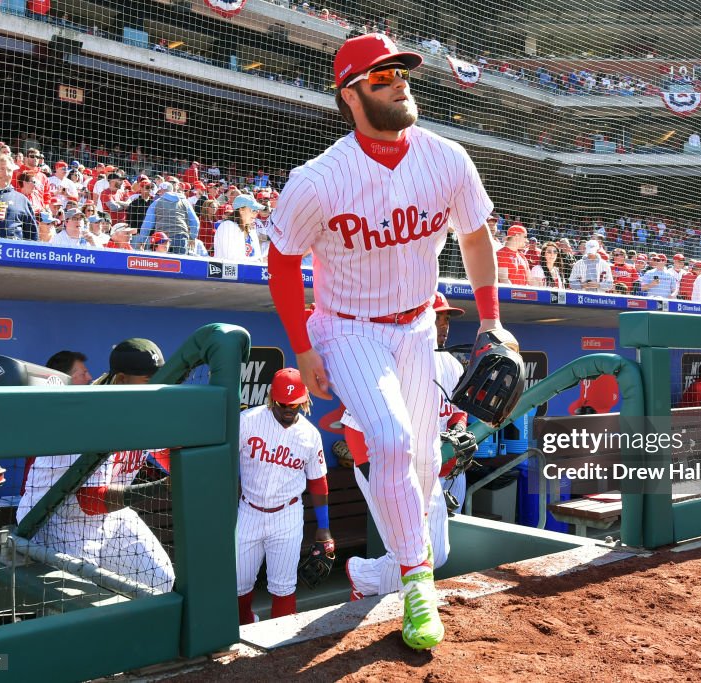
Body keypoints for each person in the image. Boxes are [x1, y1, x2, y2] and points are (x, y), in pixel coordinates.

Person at [266, 33, 510, 651]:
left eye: (402, 72)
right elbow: (281, 261)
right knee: (393, 439)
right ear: (350, 94)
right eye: (382, 77)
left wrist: (490, 319)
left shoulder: (447, 157)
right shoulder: (318, 179)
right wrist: (302, 347)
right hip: (346, 328)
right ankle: (417, 584)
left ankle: (374, 572)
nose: (400, 82)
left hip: (418, 328)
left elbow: (476, 238)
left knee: (425, 468)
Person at [16, 339, 175, 592]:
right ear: (122, 379)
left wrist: (183, 466)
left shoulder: (145, 407)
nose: (157, 387)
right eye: (148, 380)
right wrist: (162, 487)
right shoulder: (90, 415)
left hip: (111, 515)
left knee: (162, 582)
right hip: (56, 520)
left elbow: (166, 450)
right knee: (83, 602)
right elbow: (89, 500)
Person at [343, 293, 468, 600]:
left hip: (427, 466)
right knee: (404, 553)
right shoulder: (390, 363)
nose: (444, 325)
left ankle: (363, 578)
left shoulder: (450, 364)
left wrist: (459, 428)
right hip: (384, 465)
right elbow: (353, 426)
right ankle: (391, 613)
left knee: (436, 553)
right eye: (438, 317)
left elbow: (457, 411)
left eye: (447, 319)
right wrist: (375, 474)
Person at [236, 368, 331, 624]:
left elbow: (318, 482)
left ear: (306, 400)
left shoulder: (310, 435)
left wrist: (324, 528)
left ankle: (282, 645)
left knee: (283, 585)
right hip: (249, 511)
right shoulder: (247, 421)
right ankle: (245, 625)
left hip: (287, 514)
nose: (289, 409)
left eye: (296, 404)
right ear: (271, 398)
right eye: (283, 404)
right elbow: (223, 462)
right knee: (239, 583)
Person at [136, 181, 200, 254]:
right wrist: (192, 237)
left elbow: (147, 224)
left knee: (163, 264)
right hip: (180, 237)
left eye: (159, 191)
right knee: (180, 264)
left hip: (161, 240)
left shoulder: (156, 203)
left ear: (162, 191)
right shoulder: (185, 202)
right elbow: (195, 222)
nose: (159, 193)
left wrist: (142, 241)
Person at [214, 194, 262, 262]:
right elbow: (231, 259)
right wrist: (257, 260)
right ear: (241, 210)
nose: (256, 214)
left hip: (249, 271)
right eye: (253, 210)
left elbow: (258, 257)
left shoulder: (252, 231)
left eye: (257, 211)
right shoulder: (227, 226)